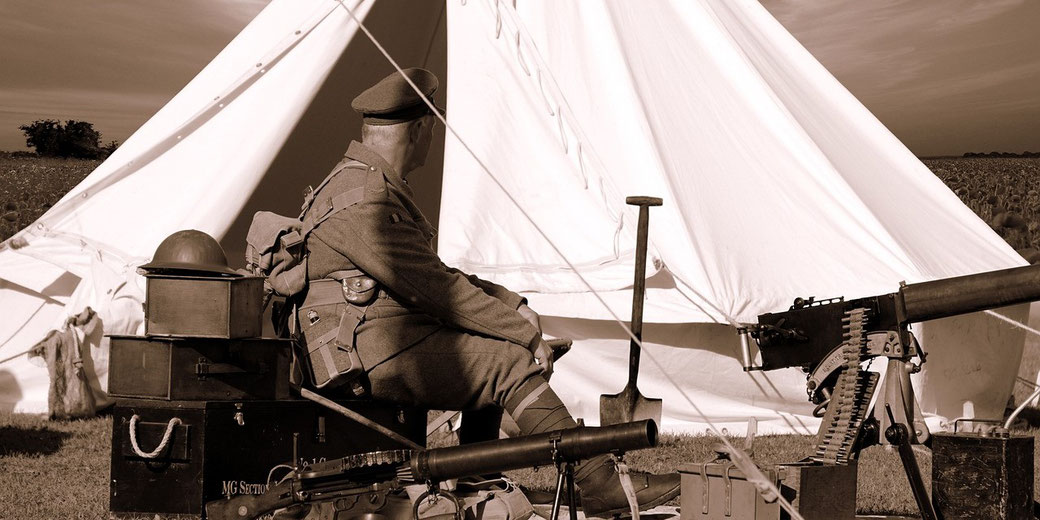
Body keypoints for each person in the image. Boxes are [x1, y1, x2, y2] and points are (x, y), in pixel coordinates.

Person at [297, 67, 679, 517]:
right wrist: (524, 335)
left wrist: (509, 301)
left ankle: (476, 480)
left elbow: (431, 273)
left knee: (496, 346)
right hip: (360, 350)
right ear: (422, 130)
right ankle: (597, 483)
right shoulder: (365, 199)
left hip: (371, 339)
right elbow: (438, 291)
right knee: (506, 361)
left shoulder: (366, 185)